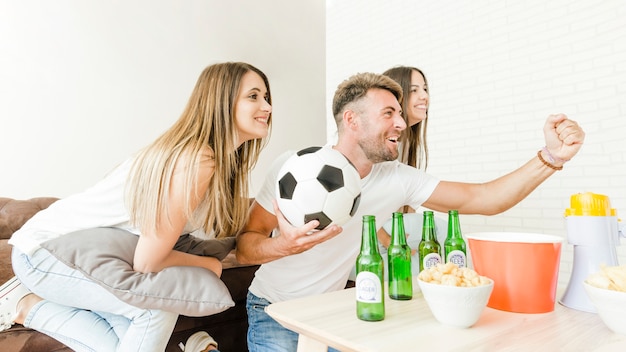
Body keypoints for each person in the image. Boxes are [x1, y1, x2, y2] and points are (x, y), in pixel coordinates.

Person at [235, 72, 585, 352]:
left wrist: (551, 158)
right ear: (352, 119)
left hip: (332, 311)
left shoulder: (398, 179)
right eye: (389, 113)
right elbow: (246, 246)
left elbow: (485, 199)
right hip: (272, 307)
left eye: (400, 114)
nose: (402, 124)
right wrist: (286, 245)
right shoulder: (294, 166)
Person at [0, 61, 272, 352]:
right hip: (46, 254)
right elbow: (148, 262)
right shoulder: (195, 160)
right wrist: (210, 265)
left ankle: (27, 305)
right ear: (221, 101)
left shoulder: (215, 163)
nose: (267, 107)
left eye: (266, 97)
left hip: (90, 257)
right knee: (154, 308)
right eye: (253, 96)